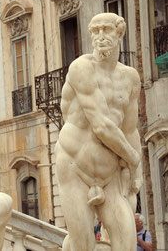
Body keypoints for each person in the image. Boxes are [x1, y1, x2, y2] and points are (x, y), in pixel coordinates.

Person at [55, 13, 141, 251]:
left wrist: (136, 174)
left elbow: (130, 129)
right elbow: (102, 125)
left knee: (126, 239)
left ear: (119, 33)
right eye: (95, 31)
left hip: (109, 175)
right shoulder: (81, 68)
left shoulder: (131, 77)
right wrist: (133, 159)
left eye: (106, 30)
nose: (100, 37)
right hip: (75, 167)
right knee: (82, 244)